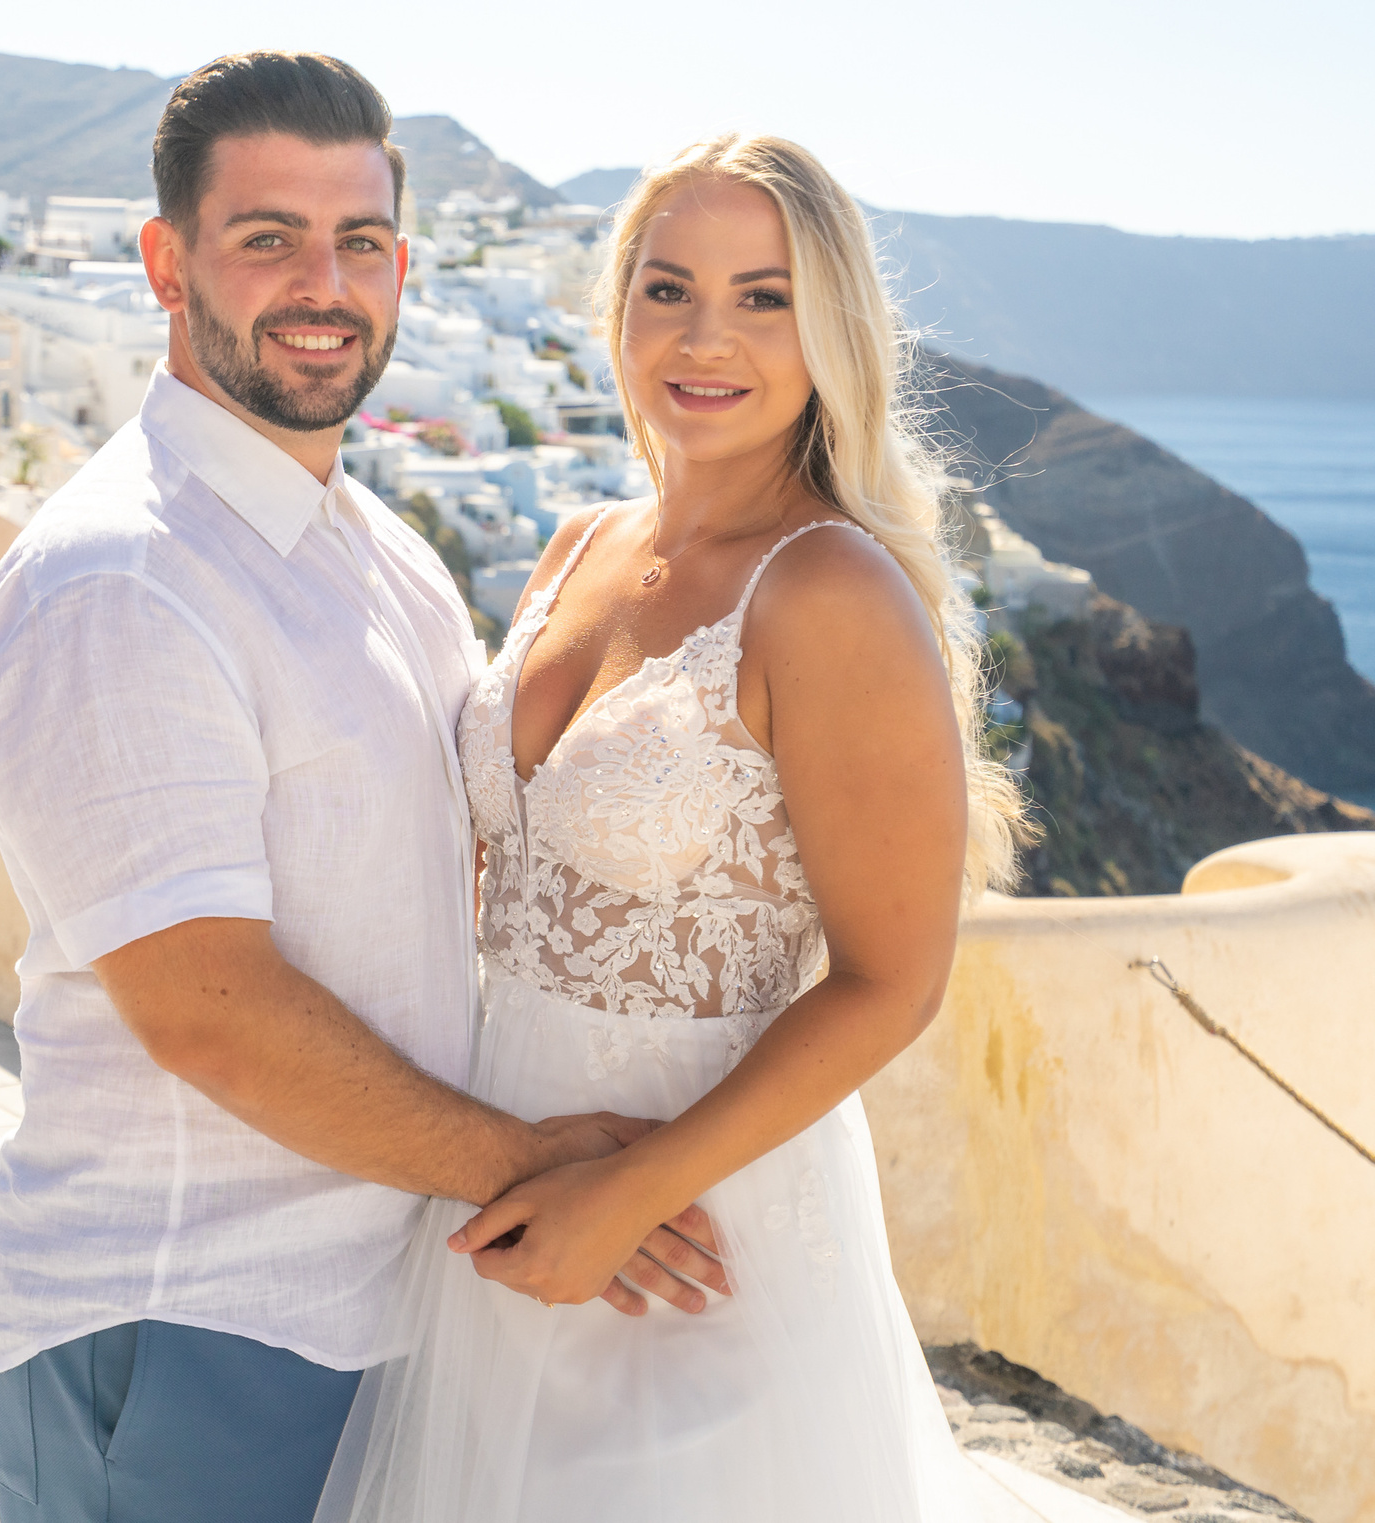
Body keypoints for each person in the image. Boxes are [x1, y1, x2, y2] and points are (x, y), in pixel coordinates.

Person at [0, 51, 722, 1523]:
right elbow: (208, 1011)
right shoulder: (120, 580)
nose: (323, 281)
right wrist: (541, 1172)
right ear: (167, 263)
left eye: (358, 241)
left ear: (404, 267)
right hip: (189, 1323)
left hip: (381, 1307)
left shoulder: (380, 549)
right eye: (267, 238)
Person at [318, 134, 1029, 1522]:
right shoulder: (578, 546)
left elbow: (896, 984)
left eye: (764, 298)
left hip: (712, 1232)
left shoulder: (831, 594)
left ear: (833, 331)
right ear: (616, 310)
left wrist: (638, 1189)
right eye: (668, 289)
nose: (707, 338)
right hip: (502, 1188)